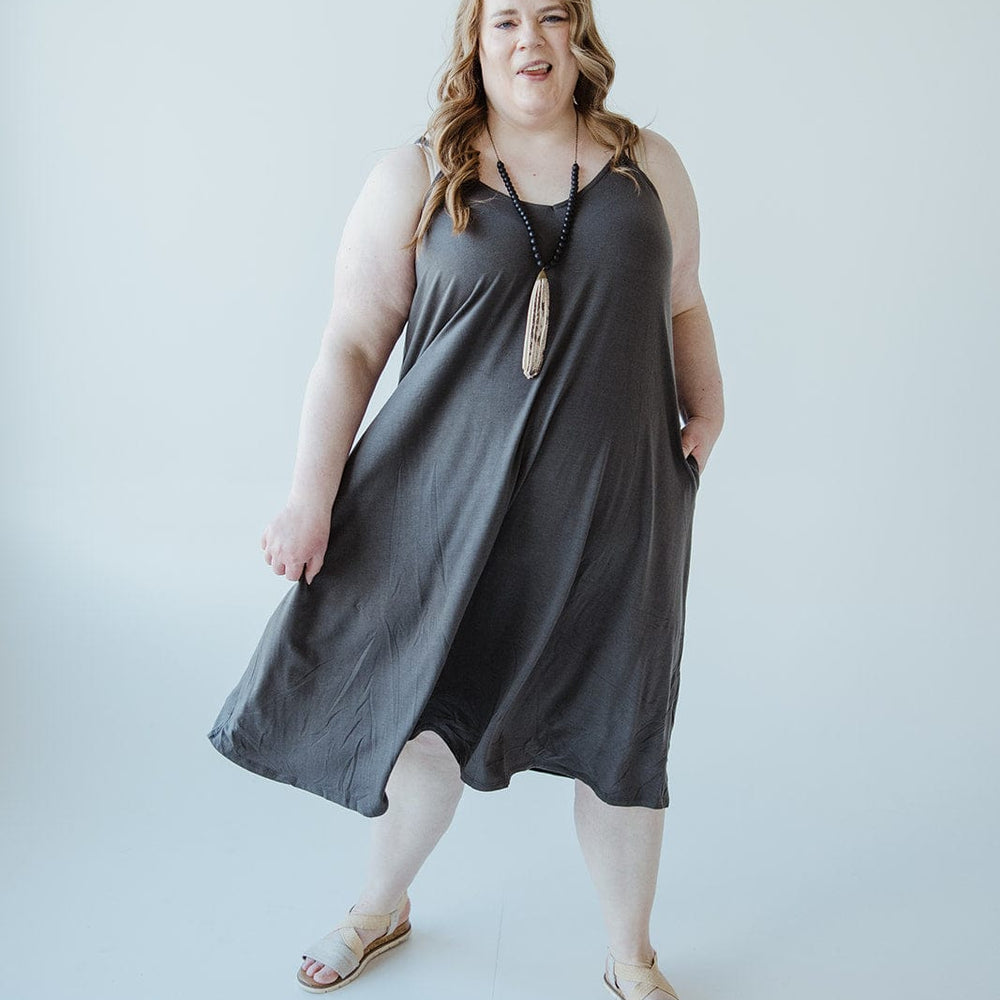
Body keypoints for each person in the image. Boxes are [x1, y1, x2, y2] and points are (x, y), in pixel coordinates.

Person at [207, 1, 724, 996]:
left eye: (553, 17)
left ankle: (631, 957)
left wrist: (706, 402)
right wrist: (309, 497)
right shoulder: (412, 175)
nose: (530, 38)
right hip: (438, 513)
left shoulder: (647, 164)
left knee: (622, 730)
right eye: (506, 20)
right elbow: (351, 344)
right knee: (418, 729)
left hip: (615, 510)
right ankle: (381, 904)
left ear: (579, 37)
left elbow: (686, 294)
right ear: (474, 42)